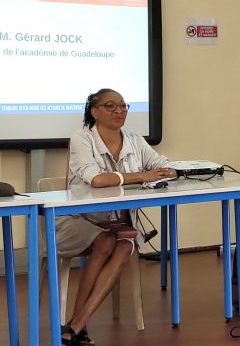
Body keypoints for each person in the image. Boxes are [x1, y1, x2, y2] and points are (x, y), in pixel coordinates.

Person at [63, 88, 176, 345]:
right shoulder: (82, 138)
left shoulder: (134, 139)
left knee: (125, 243)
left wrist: (167, 171)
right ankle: (77, 326)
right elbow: (97, 179)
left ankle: (77, 325)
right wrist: (142, 176)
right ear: (95, 111)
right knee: (106, 240)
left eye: (123, 105)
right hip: (78, 220)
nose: (119, 111)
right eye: (111, 106)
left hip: (115, 225)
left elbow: (162, 165)